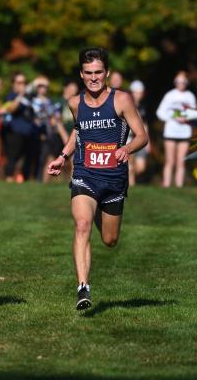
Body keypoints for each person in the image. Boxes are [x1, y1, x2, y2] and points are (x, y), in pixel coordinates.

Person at [47, 47, 148, 310]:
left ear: (107, 73)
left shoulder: (121, 100)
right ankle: (83, 287)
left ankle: (98, 211)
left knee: (109, 240)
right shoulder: (74, 102)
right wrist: (63, 156)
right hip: (85, 174)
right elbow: (77, 132)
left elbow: (142, 136)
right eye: (89, 73)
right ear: (81, 74)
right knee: (82, 225)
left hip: (114, 179)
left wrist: (127, 148)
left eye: (99, 72)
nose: (94, 78)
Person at [156, 71, 197, 188]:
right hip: (171, 132)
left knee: (181, 161)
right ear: (175, 82)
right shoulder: (169, 95)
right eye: (178, 81)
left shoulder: (190, 96)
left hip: (184, 133)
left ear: (187, 83)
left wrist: (186, 118)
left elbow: (193, 113)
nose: (181, 84)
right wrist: (173, 117)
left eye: (183, 81)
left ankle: (179, 186)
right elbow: (160, 112)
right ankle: (166, 185)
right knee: (170, 161)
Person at [4, 72, 36, 182]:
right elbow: (12, 109)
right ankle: (8, 180)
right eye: (19, 82)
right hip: (14, 132)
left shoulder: (30, 96)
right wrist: (21, 95)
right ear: (14, 84)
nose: (22, 85)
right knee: (12, 157)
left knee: (25, 159)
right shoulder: (11, 96)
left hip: (28, 132)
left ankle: (21, 180)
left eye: (24, 82)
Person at [128, 80, 150, 185]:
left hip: (141, 139)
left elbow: (145, 125)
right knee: (130, 165)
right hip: (130, 138)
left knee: (141, 167)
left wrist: (148, 140)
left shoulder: (142, 107)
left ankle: (127, 178)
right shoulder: (127, 105)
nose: (138, 95)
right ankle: (131, 186)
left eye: (140, 93)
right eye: (136, 92)